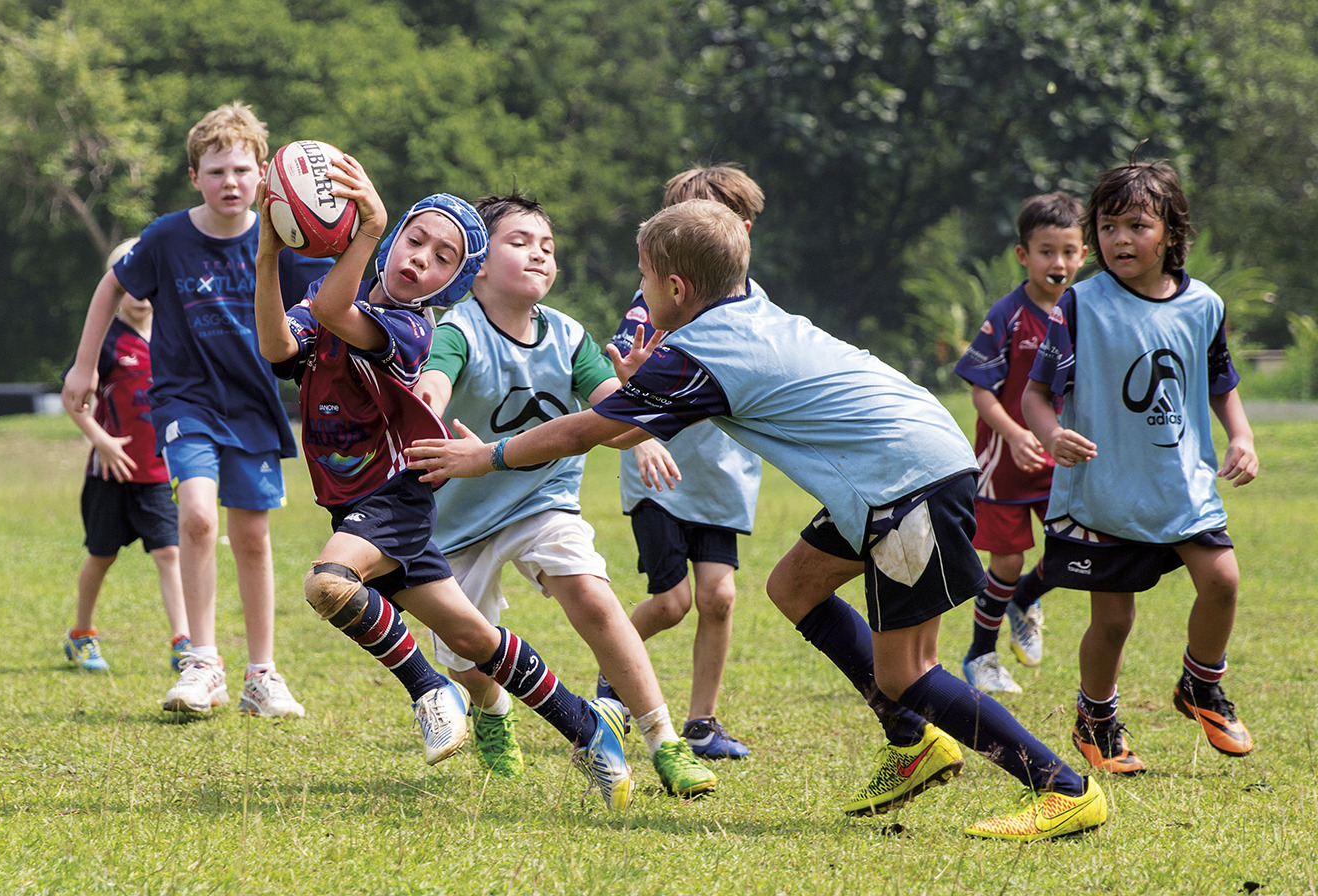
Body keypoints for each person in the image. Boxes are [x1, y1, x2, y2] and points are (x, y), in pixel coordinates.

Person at [407, 198, 1109, 841]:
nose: (641, 295)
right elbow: (621, 422)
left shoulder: (698, 352)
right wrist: (647, 375)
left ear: (675, 289)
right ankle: (915, 745)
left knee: (908, 672)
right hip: (898, 464)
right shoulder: (743, 303)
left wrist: (486, 456)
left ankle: (1063, 788)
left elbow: (581, 432)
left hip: (907, 482)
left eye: (645, 280)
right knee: (795, 586)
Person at [252, 164, 636, 810]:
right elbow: (276, 345)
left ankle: (431, 690)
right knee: (475, 639)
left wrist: (367, 227)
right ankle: (588, 728)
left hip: (392, 500)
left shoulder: (412, 331)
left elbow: (327, 311)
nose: (421, 260)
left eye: (443, 258)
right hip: (357, 505)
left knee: (326, 583)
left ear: (455, 281)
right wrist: (267, 255)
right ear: (398, 238)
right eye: (415, 240)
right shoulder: (332, 293)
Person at [413, 190, 718, 798]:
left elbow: (614, 419)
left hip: (542, 501)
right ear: (476, 261)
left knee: (592, 592)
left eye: (548, 247)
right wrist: (430, 412)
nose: (540, 255)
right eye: (520, 242)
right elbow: (433, 385)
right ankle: (492, 708)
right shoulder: (457, 331)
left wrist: (642, 411)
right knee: (465, 655)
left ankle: (664, 742)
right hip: (459, 522)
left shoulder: (570, 336)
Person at [62, 102, 330, 718]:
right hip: (186, 399)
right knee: (199, 518)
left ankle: (261, 674)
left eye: (241, 169)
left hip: (257, 406)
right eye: (215, 172)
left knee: (254, 539)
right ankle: (203, 662)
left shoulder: (285, 241)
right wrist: (82, 366)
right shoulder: (167, 237)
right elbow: (112, 285)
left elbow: (330, 299)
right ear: (194, 178)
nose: (229, 182)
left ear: (265, 174)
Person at [1022, 157, 1258, 775]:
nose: (1119, 239)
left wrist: (1241, 435)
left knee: (1223, 581)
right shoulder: (1081, 305)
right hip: (1106, 493)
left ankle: (1200, 686)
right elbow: (1035, 395)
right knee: (1115, 619)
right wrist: (1054, 436)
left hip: (1182, 487)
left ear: (1172, 234)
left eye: (1136, 225)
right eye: (1107, 226)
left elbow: (1219, 379)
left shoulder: (1204, 304)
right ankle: (1095, 718)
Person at [601, 166, 764, 759]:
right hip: (660, 474)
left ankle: (702, 723)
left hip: (724, 476)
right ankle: (612, 674)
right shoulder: (652, 304)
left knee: (719, 597)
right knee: (672, 604)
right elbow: (620, 372)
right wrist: (636, 414)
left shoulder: (755, 312)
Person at [953, 192, 1086, 694]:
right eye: (1047, 251)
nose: (1059, 263)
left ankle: (1025, 597)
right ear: (1023, 256)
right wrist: (1013, 434)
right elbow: (980, 390)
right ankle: (980, 657)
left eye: (1069, 251)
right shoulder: (1008, 314)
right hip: (1004, 460)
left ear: (1084, 254)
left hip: (1064, 457)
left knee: (1075, 547)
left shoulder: (1085, 313)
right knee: (1005, 562)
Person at [61, 238, 189, 673]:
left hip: (156, 473)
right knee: (102, 555)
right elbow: (72, 398)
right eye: (127, 286)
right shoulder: (105, 341)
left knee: (169, 553)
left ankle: (183, 643)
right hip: (108, 475)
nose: (138, 296)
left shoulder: (172, 336)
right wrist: (101, 441)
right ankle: (82, 635)